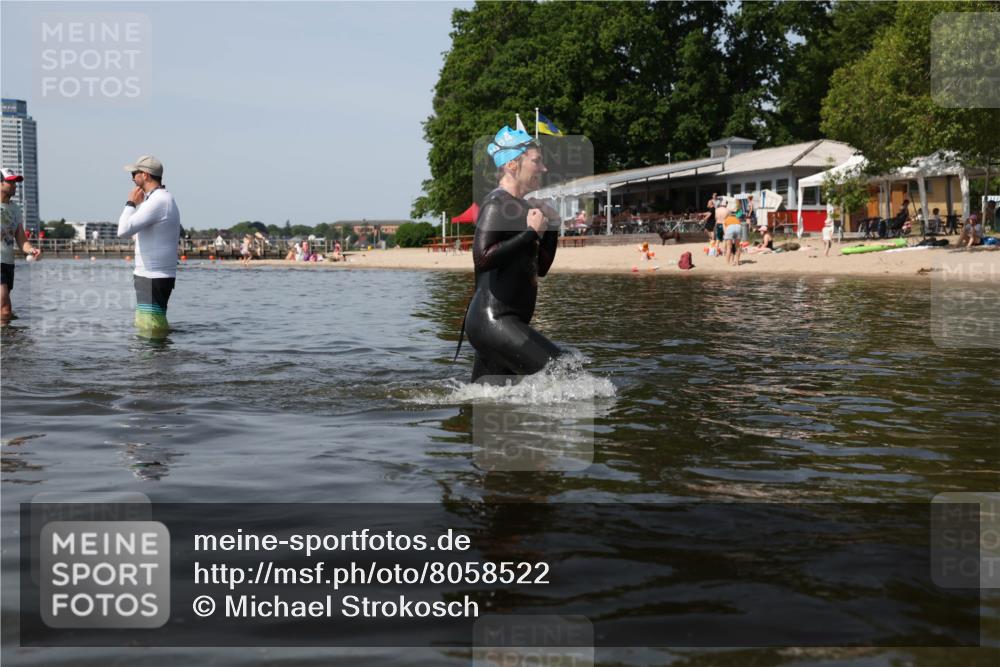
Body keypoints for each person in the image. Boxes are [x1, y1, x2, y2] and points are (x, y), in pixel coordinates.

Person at [459, 125, 560, 384]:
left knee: (488, 402)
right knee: (564, 372)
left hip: (500, 324)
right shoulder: (497, 203)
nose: (543, 169)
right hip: (494, 322)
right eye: (537, 161)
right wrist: (530, 233)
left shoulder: (522, 208)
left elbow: (541, 269)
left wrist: (551, 227)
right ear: (513, 164)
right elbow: (482, 257)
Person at [118, 156, 180, 337]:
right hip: (152, 275)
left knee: (150, 330)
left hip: (153, 276)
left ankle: (156, 364)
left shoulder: (158, 201)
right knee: (149, 326)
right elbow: (138, 234)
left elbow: (123, 231)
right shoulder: (159, 200)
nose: (132, 178)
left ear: (145, 175)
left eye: (134, 174)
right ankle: (156, 363)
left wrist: (130, 203)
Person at [1, 168, 41, 322]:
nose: (14, 185)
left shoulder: (15, 209)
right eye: (9, 181)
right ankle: (6, 344)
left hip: (8, 263)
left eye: (15, 182)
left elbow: (21, 238)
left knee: (4, 308)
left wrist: (31, 250)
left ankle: (8, 342)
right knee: (5, 308)